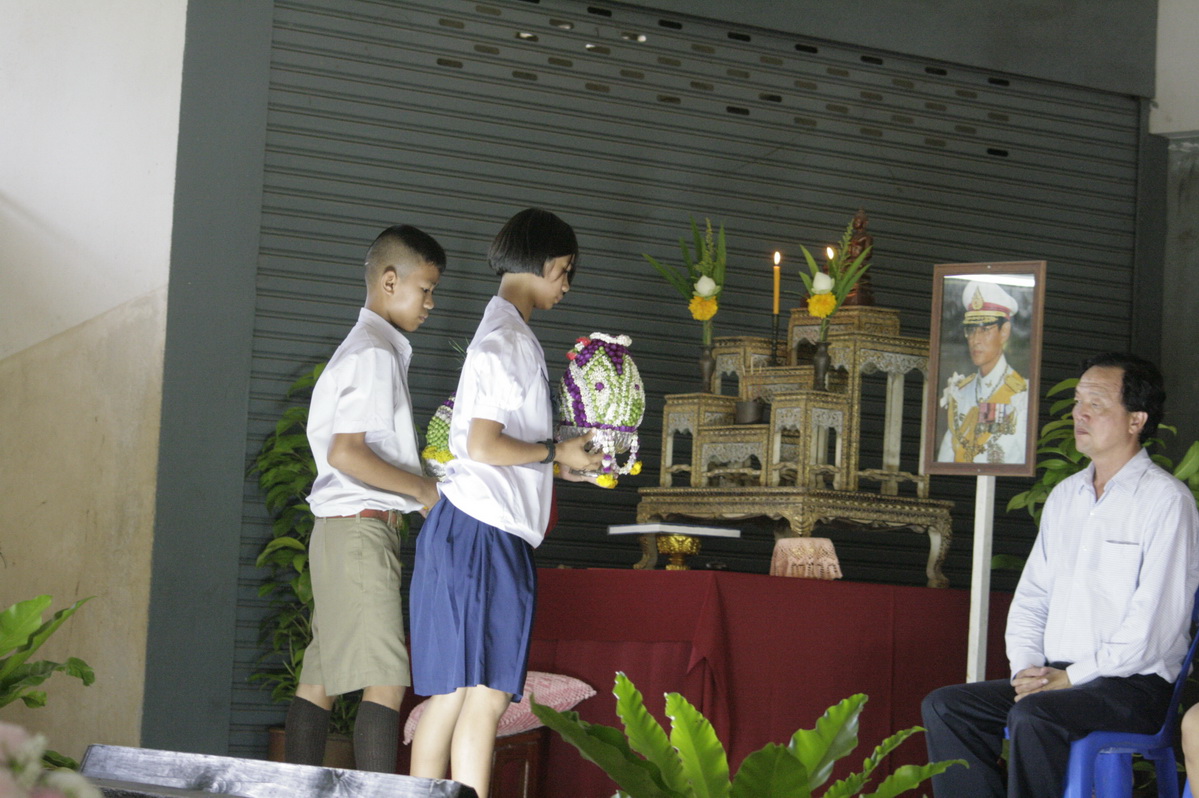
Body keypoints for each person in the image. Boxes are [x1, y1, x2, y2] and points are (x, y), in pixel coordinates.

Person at [922, 352, 1199, 798]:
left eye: (1096, 403)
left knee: (1036, 716)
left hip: (1134, 687)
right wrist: (1027, 669)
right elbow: (1032, 596)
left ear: (1136, 420)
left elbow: (1153, 627)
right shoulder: (1066, 496)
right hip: (1059, 678)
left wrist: (1071, 679)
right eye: (1077, 401)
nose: (1079, 413)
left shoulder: (1166, 502)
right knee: (948, 706)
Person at [407, 208, 604, 798]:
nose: (566, 285)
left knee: (460, 695)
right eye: (565, 271)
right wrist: (554, 453)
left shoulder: (506, 332)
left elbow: (494, 449)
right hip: (481, 533)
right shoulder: (509, 341)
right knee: (481, 695)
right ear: (546, 264)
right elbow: (482, 445)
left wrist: (559, 463)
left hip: (473, 529)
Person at [284, 224, 446, 772]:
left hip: (339, 531)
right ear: (390, 280)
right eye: (425, 289)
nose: (431, 303)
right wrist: (423, 490)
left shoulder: (368, 348)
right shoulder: (374, 352)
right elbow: (347, 453)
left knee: (320, 678)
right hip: (360, 530)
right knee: (386, 680)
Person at [937, 280, 1029, 464]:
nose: (975, 340)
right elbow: (946, 456)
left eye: (985, 329)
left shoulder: (1021, 395)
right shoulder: (961, 392)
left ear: (1004, 331)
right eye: (971, 330)